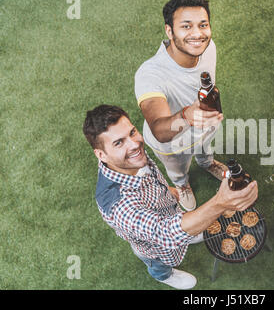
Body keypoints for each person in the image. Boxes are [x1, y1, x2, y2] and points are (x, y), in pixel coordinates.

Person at [83, 105, 258, 289]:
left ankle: (188, 235)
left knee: (184, 228)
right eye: (119, 143)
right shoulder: (119, 205)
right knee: (159, 264)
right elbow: (165, 232)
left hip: (169, 212)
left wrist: (167, 189)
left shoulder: (127, 160)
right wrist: (220, 203)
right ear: (101, 155)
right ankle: (165, 276)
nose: (134, 144)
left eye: (132, 132)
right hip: (154, 248)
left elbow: (146, 176)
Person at [134, 0, 226, 212]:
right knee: (178, 169)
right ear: (169, 30)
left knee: (205, 150)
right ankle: (182, 184)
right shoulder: (150, 74)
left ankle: (206, 163)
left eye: (203, 25)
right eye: (186, 26)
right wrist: (187, 115)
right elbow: (159, 129)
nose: (197, 34)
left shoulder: (208, 47)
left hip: (205, 125)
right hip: (173, 143)